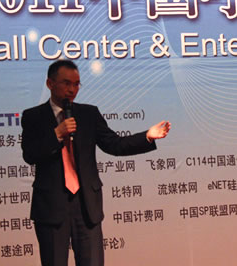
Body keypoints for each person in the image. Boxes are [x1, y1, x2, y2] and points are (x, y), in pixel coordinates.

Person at [21, 59, 170, 266]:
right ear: (50, 83)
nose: (72, 89)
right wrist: (57, 134)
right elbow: (30, 154)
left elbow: (114, 144)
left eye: (76, 84)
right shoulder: (33, 116)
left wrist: (147, 136)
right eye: (66, 83)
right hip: (51, 206)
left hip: (86, 205)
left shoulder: (88, 114)